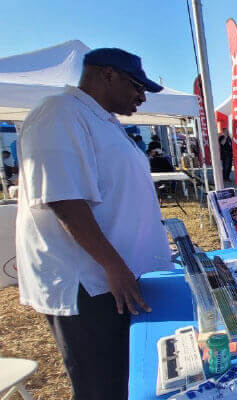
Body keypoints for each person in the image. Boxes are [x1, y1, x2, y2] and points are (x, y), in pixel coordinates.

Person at [16, 47, 172, 400]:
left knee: (126, 378)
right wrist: (114, 266)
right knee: (102, 385)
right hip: (92, 285)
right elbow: (64, 199)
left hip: (117, 280)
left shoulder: (103, 120)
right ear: (106, 75)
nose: (142, 97)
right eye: (136, 86)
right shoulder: (58, 112)